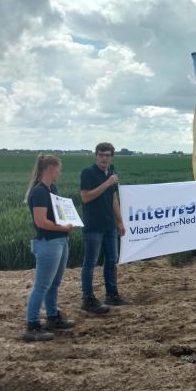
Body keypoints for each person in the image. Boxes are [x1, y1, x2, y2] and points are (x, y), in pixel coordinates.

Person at [23, 155, 76, 341]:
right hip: (48, 243)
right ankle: (32, 325)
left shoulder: (51, 189)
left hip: (60, 241)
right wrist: (63, 227)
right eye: (58, 168)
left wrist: (67, 223)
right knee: (42, 285)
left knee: (54, 284)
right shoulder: (39, 192)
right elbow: (41, 221)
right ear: (51, 168)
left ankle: (53, 317)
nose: (59, 172)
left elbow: (57, 214)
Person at [80, 142, 128, 314]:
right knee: (90, 263)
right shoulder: (88, 173)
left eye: (107, 155)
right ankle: (87, 298)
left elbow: (113, 199)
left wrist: (120, 221)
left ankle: (112, 294)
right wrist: (107, 183)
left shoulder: (112, 174)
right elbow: (85, 197)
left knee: (111, 261)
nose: (104, 158)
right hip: (93, 226)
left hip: (109, 226)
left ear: (112, 156)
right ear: (96, 155)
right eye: (101, 154)